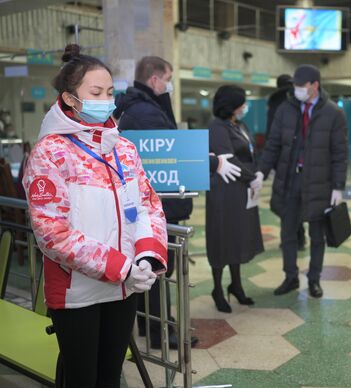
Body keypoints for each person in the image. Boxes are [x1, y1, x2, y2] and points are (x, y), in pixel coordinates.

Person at [23, 44, 167, 388]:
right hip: (77, 292)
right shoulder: (51, 153)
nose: (107, 99)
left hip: (124, 289)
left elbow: (148, 205)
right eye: (96, 92)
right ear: (71, 98)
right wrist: (121, 267)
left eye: (110, 92)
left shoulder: (124, 149)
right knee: (80, 378)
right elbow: (52, 233)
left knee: (110, 375)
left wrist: (147, 256)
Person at [114, 57, 240, 347]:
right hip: (160, 204)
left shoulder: (138, 107)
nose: (169, 84)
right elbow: (172, 152)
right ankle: (161, 334)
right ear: (156, 80)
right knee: (158, 268)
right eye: (168, 78)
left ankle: (151, 327)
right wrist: (211, 163)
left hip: (151, 201)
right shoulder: (146, 113)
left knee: (151, 268)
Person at [258, 64, 348, 298]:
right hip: (290, 179)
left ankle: (314, 280)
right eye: (295, 86)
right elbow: (273, 144)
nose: (297, 90)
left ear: (314, 86)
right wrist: (262, 171)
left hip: (319, 183)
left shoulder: (334, 113)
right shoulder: (285, 110)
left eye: (301, 86)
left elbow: (340, 153)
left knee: (317, 236)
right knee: (288, 232)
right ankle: (290, 277)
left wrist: (338, 187)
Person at [206, 85, 264, 312]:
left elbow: (250, 151)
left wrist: (257, 172)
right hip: (225, 191)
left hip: (242, 190)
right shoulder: (217, 127)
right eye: (242, 102)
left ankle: (236, 285)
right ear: (231, 106)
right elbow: (229, 159)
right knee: (223, 237)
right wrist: (251, 177)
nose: (245, 106)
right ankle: (217, 289)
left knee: (238, 237)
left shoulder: (239, 125)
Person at [266, 74, 306, 251]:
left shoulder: (275, 103)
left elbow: (271, 136)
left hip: (282, 161)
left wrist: (270, 164)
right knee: (297, 201)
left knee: (284, 202)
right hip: (300, 161)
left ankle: (290, 238)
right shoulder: (300, 102)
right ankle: (300, 237)